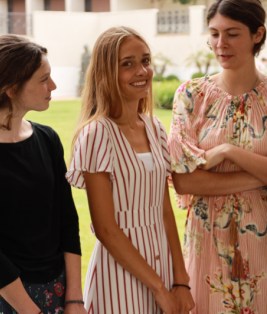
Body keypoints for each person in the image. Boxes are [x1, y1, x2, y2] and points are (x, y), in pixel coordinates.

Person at [168, 0, 267, 313]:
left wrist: (229, 151)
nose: (221, 44)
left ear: (258, 34)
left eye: (232, 34)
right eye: (214, 34)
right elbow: (185, 182)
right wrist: (265, 170)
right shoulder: (190, 96)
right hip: (206, 240)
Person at [66, 26, 194, 314]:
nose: (142, 71)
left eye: (145, 61)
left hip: (162, 267)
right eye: (128, 64)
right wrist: (158, 288)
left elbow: (163, 210)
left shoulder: (154, 127)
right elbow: (106, 228)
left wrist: (181, 280)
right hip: (120, 275)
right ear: (105, 73)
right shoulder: (97, 134)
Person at [0, 35, 84, 314]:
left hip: (60, 292)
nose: (53, 86)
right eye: (43, 79)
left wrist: (74, 300)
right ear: (12, 88)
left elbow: (68, 223)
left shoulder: (47, 139)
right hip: (7, 299)